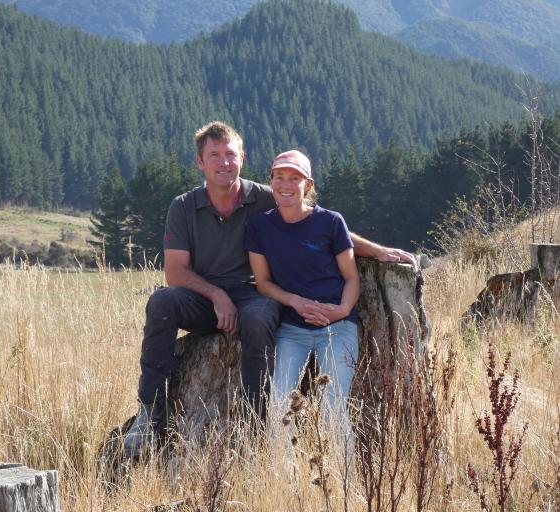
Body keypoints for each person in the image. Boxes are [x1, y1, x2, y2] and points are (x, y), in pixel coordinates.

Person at [124, 122, 417, 460]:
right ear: (200, 162)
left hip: (253, 294)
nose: (224, 163)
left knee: (260, 319)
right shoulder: (184, 206)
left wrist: (378, 250)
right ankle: (150, 417)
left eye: (230, 155)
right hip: (204, 298)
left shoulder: (265, 196)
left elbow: (323, 226)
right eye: (214, 155)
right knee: (161, 302)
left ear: (242, 158)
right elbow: (175, 272)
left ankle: (255, 424)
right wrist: (217, 297)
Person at [245, 150, 359, 428]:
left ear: (307, 185)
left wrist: (341, 311)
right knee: (279, 406)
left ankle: (344, 473)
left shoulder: (331, 222)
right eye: (279, 177)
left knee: (333, 407)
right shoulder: (260, 227)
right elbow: (263, 283)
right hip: (292, 330)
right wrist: (295, 301)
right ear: (271, 182)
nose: (285, 185)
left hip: (338, 328)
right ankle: (282, 472)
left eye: (294, 178)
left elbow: (352, 277)